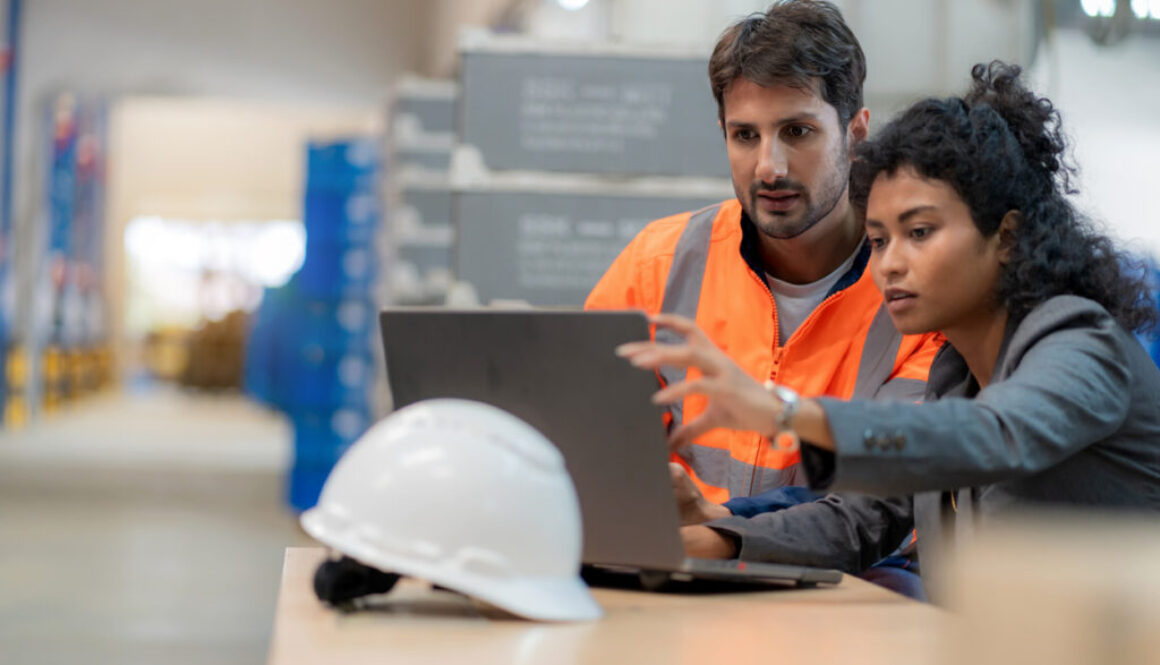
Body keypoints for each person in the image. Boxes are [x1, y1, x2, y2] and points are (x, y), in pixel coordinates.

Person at [616, 61, 1160, 602]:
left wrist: (783, 411)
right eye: (878, 241)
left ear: (1008, 237)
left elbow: (996, 433)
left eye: (919, 232)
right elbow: (855, 521)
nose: (889, 266)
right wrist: (696, 540)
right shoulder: (954, 376)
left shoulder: (1083, 343)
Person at [585, 0, 943, 594]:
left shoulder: (920, 288)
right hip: (669, 557)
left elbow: (878, 507)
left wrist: (719, 528)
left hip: (854, 576)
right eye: (744, 135)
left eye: (796, 132)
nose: (768, 166)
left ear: (856, 132)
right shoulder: (659, 262)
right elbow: (587, 431)